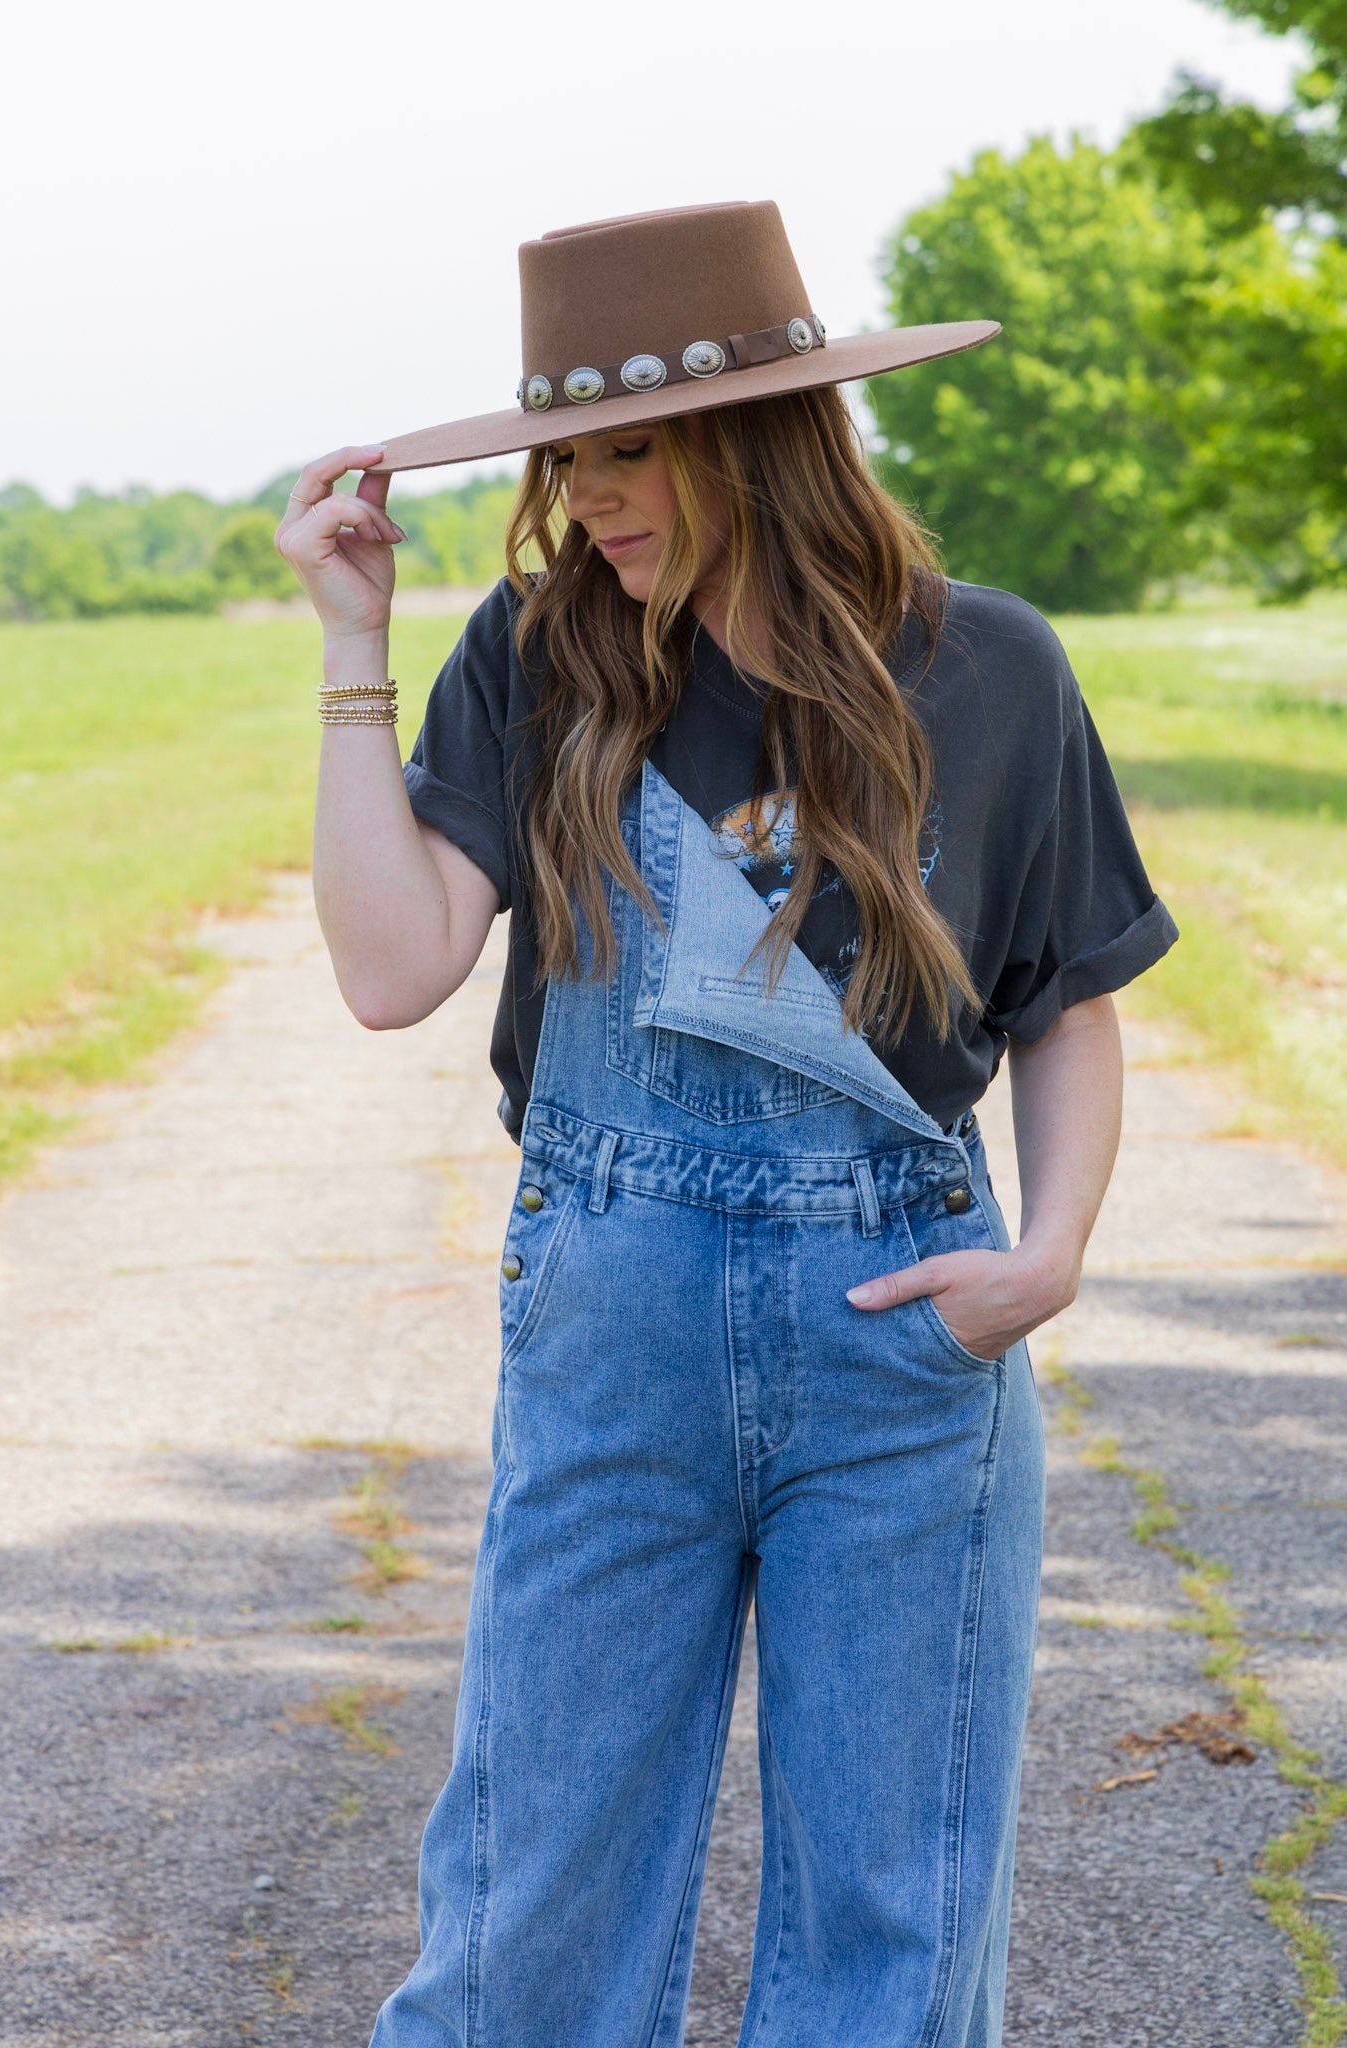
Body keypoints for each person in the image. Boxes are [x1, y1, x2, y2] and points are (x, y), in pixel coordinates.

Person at [276, 200, 1178, 2048]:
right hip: (615, 1337)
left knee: (893, 1922)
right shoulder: (541, 658)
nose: (587, 503)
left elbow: (1066, 1003)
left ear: (756, 443)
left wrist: (1049, 1256)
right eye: (567, 463)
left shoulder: (988, 670)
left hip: (903, 1345)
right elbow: (391, 970)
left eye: (629, 455)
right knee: (529, 1912)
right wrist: (350, 650)